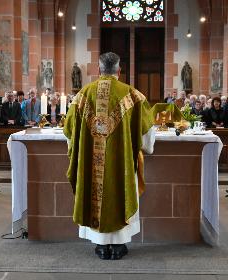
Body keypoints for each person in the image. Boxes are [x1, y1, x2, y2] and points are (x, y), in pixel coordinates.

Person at [63, 52, 155, 260]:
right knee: (120, 191)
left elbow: (69, 131)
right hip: (120, 164)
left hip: (91, 164)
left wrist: (79, 150)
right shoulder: (133, 95)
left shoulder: (82, 96)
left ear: (99, 70)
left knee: (93, 190)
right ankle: (119, 245)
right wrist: (146, 148)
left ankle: (100, 246)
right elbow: (147, 133)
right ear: (119, 71)